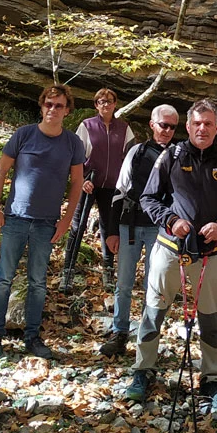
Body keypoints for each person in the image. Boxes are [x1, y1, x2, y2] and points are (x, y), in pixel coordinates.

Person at [125, 99, 217, 412]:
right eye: (197, 124)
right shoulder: (171, 155)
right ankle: (143, 371)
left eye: (208, 124)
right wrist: (171, 220)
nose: (202, 129)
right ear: (188, 127)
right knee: (153, 311)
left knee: (210, 319)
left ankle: (213, 379)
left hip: (209, 254)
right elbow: (148, 198)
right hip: (169, 249)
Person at [0, 84, 85, 361]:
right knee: (3, 278)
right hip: (16, 217)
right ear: (41, 106)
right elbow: (1, 170)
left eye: (59, 105)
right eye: (48, 104)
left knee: (38, 281)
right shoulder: (24, 135)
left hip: (47, 223)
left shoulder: (72, 143)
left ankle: (32, 336)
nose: (53, 109)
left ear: (67, 110)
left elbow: (77, 183)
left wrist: (67, 219)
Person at [99, 104, 180, 358]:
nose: (166, 130)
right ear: (152, 125)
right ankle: (119, 332)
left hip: (162, 228)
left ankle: (147, 336)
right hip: (130, 225)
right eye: (162, 125)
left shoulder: (179, 155)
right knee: (123, 283)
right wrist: (111, 231)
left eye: (172, 126)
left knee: (154, 285)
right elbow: (120, 190)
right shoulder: (137, 151)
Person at [72, 88, 135, 287]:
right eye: (101, 101)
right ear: (96, 105)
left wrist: (126, 185)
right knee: (78, 225)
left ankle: (108, 269)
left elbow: (131, 159)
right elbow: (75, 155)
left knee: (110, 228)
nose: (105, 104)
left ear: (115, 104)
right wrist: (82, 179)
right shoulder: (87, 126)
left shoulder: (124, 129)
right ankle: (69, 267)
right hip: (89, 184)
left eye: (109, 101)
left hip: (112, 187)